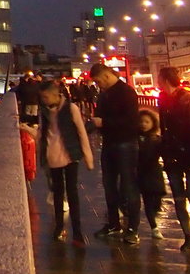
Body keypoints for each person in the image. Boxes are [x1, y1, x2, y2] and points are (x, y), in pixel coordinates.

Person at [24, 78, 93, 247]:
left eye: (46, 97)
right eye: (42, 98)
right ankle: (59, 227)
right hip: (52, 155)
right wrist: (26, 129)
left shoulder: (71, 108)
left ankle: (77, 231)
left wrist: (87, 156)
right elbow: (43, 133)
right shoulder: (45, 112)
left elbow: (81, 132)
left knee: (72, 192)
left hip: (70, 154)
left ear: (56, 95)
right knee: (57, 192)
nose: (44, 101)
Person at [89, 62, 141, 244]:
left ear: (106, 76)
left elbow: (131, 121)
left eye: (98, 81)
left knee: (129, 186)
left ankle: (133, 229)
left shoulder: (126, 92)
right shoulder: (104, 95)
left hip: (126, 143)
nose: (98, 85)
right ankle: (113, 224)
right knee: (109, 186)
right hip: (109, 144)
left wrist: (103, 123)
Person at [158, 66, 190, 250]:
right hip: (172, 156)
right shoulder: (162, 99)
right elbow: (163, 129)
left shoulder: (187, 100)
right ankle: (188, 236)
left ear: (165, 79)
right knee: (178, 198)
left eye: (159, 77)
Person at [137, 108, 167, 238]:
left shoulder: (157, 139)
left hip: (155, 174)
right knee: (147, 201)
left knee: (156, 201)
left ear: (153, 123)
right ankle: (154, 227)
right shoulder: (135, 139)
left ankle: (154, 218)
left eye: (146, 122)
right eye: (141, 121)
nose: (143, 124)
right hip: (141, 174)